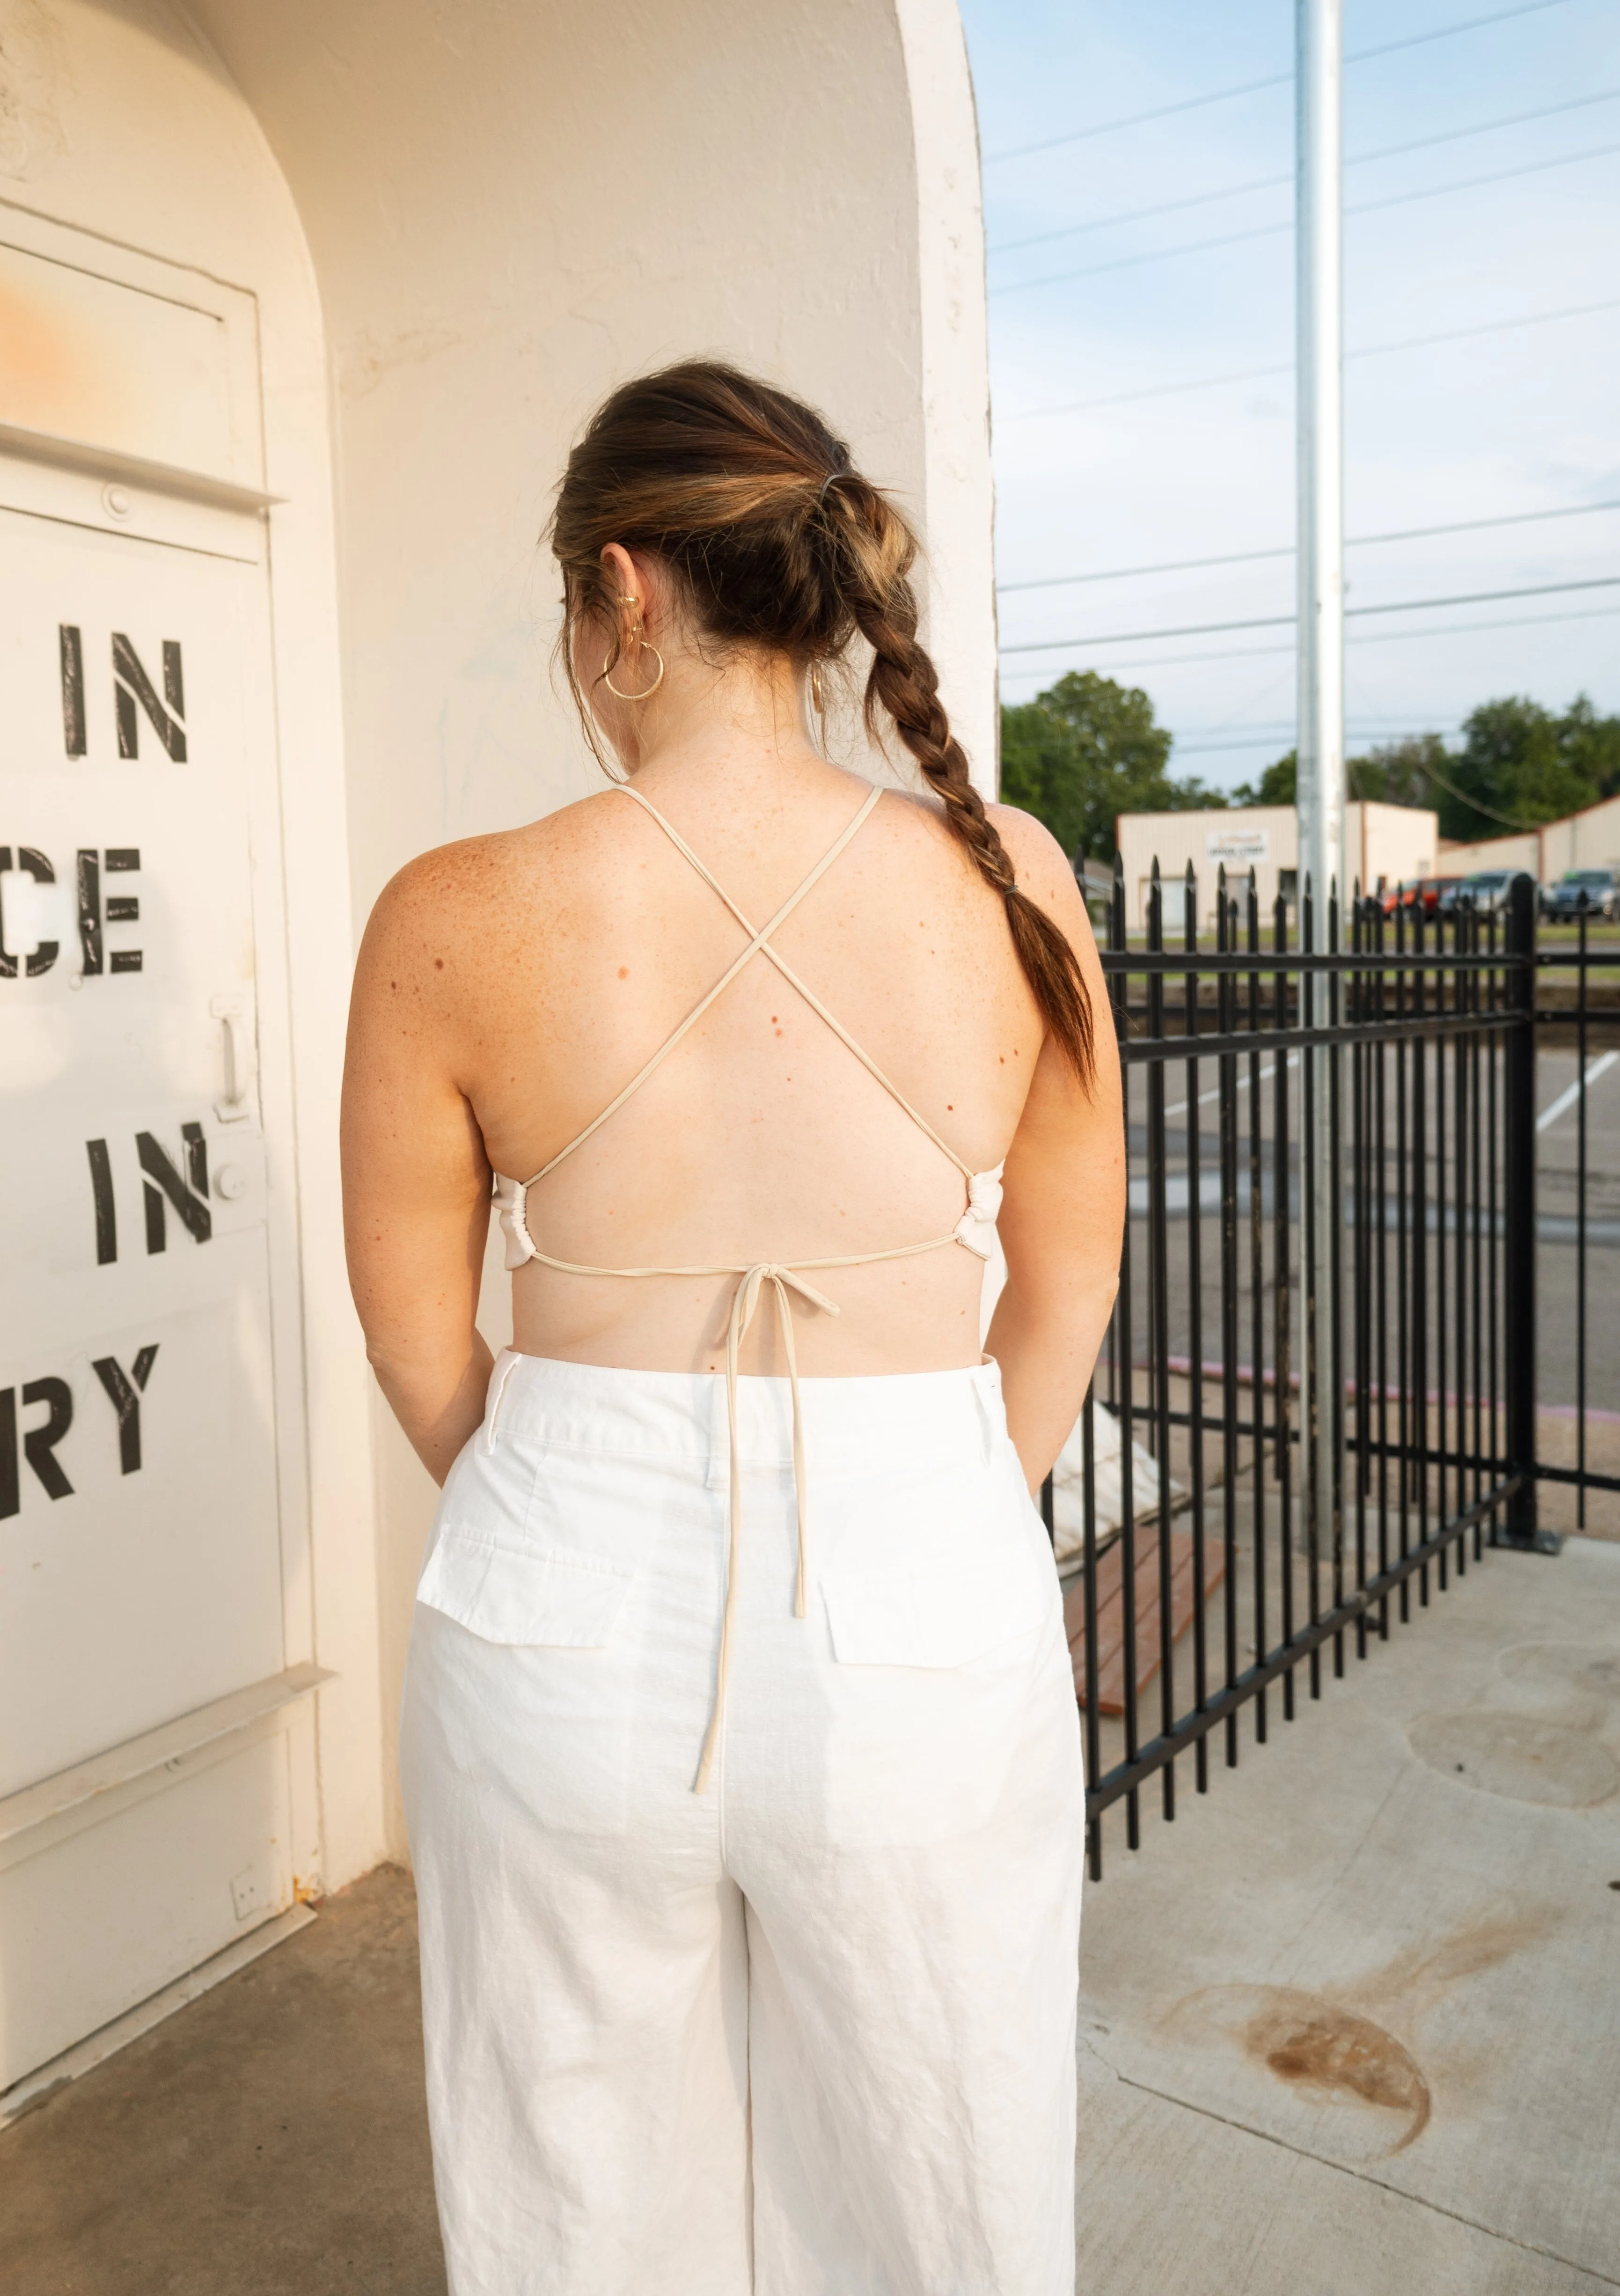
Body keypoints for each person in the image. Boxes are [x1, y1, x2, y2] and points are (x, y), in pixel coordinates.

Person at [341, 361, 1124, 2295]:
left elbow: (419, 1338)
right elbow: (1067, 1276)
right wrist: (945, 1494)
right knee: (948, 2146)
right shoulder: (1006, 875)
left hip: (563, 1579)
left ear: (622, 590)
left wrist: (560, 1489)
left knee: (570, 2167)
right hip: (920, 1566)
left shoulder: (456, 910)